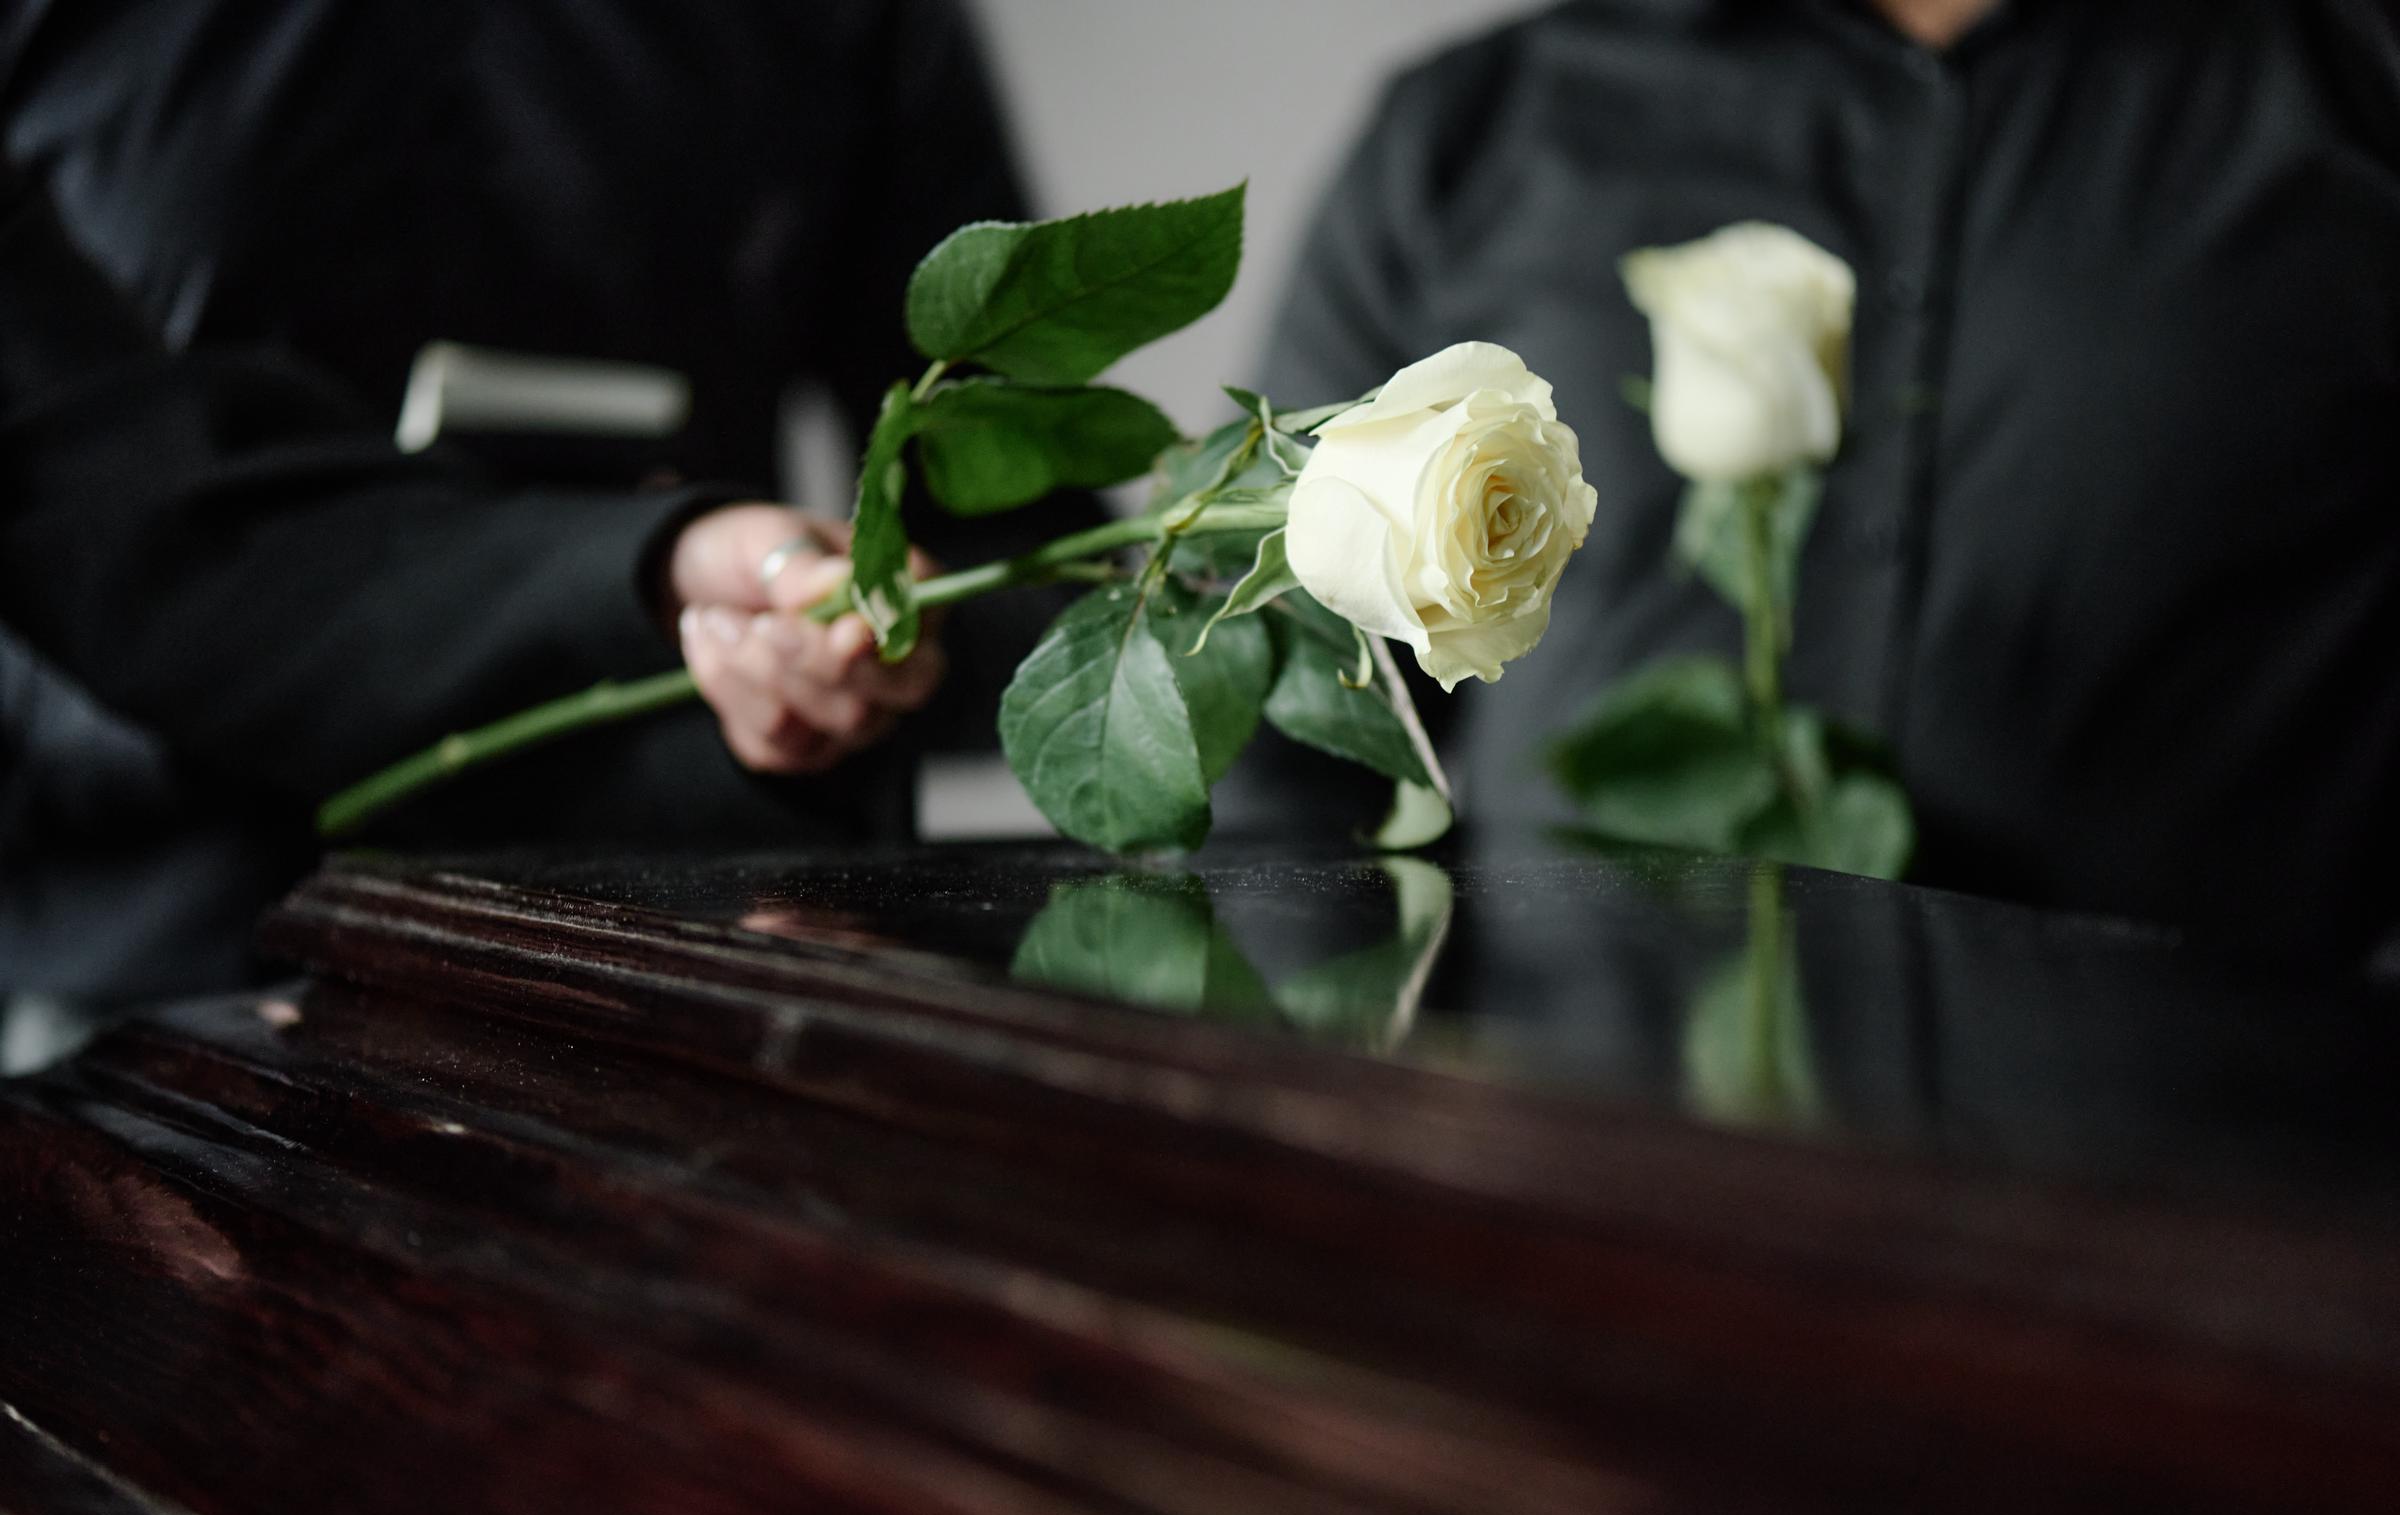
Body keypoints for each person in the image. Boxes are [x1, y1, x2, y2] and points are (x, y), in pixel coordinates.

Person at [1257, 0, 2400, 958]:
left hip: (2200, 1132)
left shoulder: (2355, 90)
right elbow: (1276, 732)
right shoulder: (1477, 127)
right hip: (1561, 1115)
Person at [1, 0, 1043, 1020]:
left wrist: (846, 640)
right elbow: (106, 491)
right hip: (138, 962)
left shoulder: (847, 26)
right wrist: (652, 570)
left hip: (682, 947)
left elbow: (1024, 551)